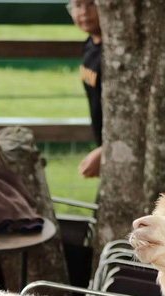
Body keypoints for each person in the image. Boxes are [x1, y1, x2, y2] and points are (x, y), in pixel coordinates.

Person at [68, 0, 103, 179]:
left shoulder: (114, 55)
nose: (83, 12)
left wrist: (105, 151)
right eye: (77, 5)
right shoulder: (90, 45)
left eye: (91, 4)